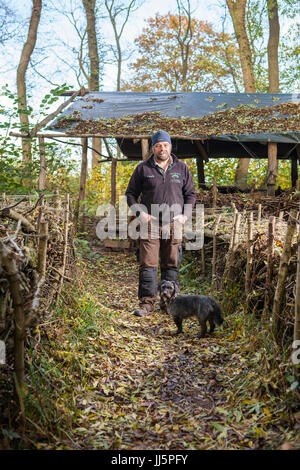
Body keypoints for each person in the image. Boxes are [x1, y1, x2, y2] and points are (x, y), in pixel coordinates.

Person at [125, 130, 196, 317]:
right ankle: (147, 304)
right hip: (151, 223)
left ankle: (168, 305)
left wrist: (185, 215)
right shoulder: (143, 169)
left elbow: (190, 194)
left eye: (165, 145)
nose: (162, 148)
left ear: (170, 147)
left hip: (174, 223)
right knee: (148, 264)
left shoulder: (181, 168)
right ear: (153, 148)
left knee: (171, 263)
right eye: (158, 146)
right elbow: (130, 194)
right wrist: (140, 213)